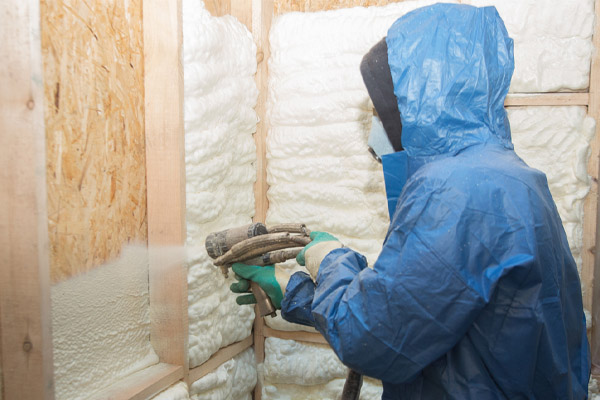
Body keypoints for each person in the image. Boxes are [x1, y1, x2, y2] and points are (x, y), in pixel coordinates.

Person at [230, 4, 590, 399]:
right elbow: (424, 306)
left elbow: (373, 340)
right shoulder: (508, 177)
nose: (374, 130)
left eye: (380, 108)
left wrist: (330, 259)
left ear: (413, 104)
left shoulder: (455, 189)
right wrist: (296, 292)